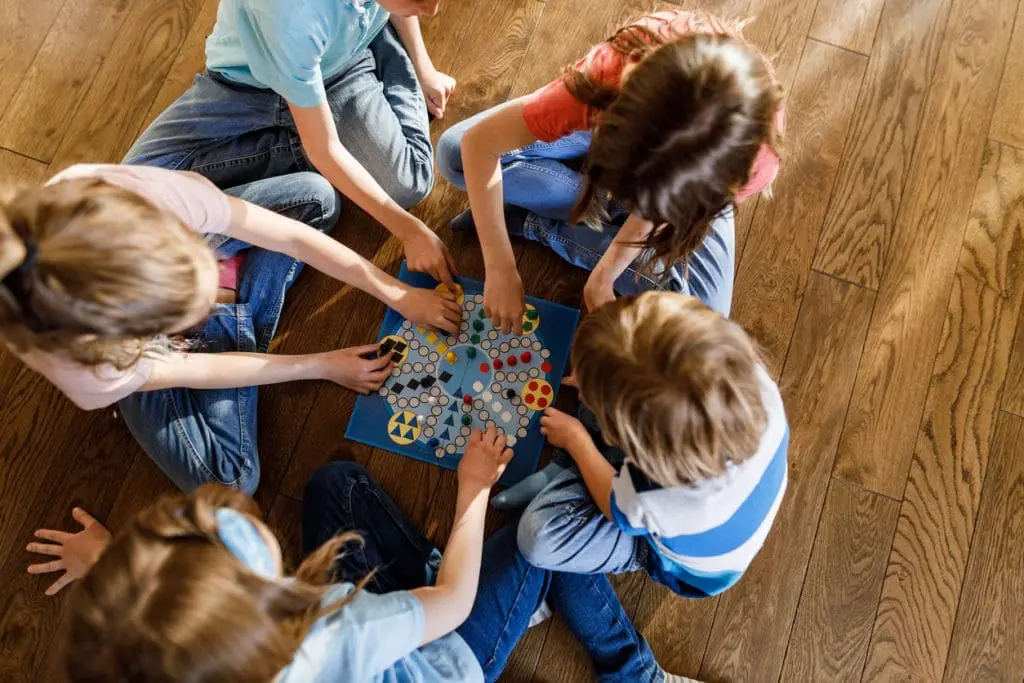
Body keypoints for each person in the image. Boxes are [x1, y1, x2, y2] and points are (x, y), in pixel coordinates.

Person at [25, 430, 693, 682]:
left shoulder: (189, 660)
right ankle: (635, 673)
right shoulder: (330, 635)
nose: (237, 513)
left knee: (334, 487)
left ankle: (440, 576)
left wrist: (121, 575)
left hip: (375, 629)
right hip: (448, 654)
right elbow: (452, 603)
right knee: (542, 536)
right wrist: (472, 489)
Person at [0, 164, 461, 496]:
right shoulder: (91, 368)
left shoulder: (149, 196)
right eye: (187, 315)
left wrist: (396, 292)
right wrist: (319, 365)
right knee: (233, 479)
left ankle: (227, 295)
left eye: (202, 259)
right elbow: (195, 370)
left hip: (139, 254)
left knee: (315, 197)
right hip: (143, 363)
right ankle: (228, 304)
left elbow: (292, 235)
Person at [435, 8, 783, 331]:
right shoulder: (607, 78)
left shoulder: (750, 160)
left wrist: (605, 275)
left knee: (704, 318)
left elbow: (656, 209)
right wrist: (499, 266)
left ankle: (530, 220)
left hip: (683, 176)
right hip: (615, 113)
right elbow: (476, 145)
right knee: (454, 155)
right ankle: (576, 212)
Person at [124, 0, 459, 286]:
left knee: (407, 184)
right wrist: (410, 232)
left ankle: (379, 50)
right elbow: (323, 149)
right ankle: (310, 131)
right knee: (125, 202)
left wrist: (423, 68)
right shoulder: (293, 16)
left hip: (338, 67)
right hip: (242, 85)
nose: (432, 10)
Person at [510, 292, 789, 598]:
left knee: (536, 538)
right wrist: (606, 372)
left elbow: (616, 507)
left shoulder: (656, 493)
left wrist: (577, 441)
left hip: (680, 563)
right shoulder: (757, 383)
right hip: (711, 493)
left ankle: (575, 462)